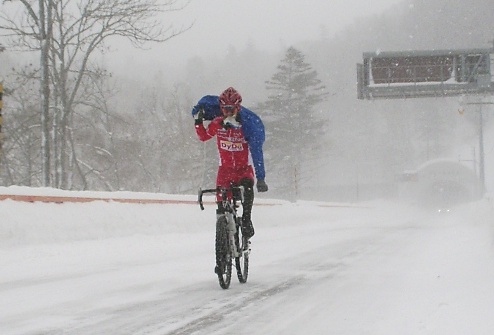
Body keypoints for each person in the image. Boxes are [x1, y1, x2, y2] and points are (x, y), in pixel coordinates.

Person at [192, 87, 268, 239]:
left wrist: (260, 178)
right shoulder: (217, 122)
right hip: (225, 171)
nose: (227, 113)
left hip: (243, 169)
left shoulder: (247, 125)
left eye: (231, 109)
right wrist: (198, 122)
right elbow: (204, 136)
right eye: (224, 109)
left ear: (237, 108)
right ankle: (221, 258)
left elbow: (256, 152)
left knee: (247, 186)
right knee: (221, 208)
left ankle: (246, 219)